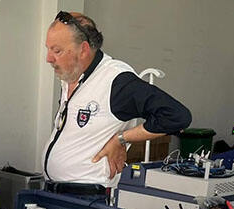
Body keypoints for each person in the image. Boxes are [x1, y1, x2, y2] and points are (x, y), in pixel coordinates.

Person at [43, 11, 192, 197]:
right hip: (55, 192)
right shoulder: (71, 75)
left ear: (83, 50)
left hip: (87, 198)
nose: (48, 58)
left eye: (57, 51)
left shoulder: (116, 80)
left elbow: (177, 116)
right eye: (48, 49)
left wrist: (122, 138)